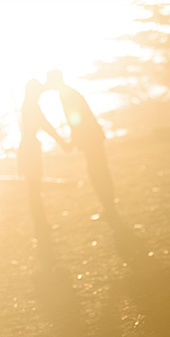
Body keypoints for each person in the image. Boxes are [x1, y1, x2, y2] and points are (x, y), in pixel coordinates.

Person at [45, 69, 119, 225]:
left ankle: (110, 208)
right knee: (99, 170)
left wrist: (71, 142)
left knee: (97, 171)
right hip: (91, 137)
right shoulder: (67, 93)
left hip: (90, 137)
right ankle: (109, 207)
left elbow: (75, 120)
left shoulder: (66, 95)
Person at [17, 78, 70, 238]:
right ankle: (41, 225)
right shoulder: (32, 107)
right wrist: (62, 142)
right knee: (34, 188)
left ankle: (41, 224)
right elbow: (46, 125)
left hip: (28, 146)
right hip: (30, 148)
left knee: (34, 188)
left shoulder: (28, 105)